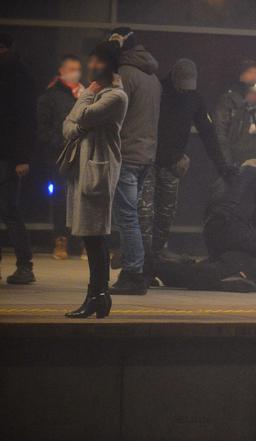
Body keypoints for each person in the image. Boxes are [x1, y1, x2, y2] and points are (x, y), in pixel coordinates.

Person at [138, 59, 232, 264]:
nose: (184, 90)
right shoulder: (158, 92)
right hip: (150, 160)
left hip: (171, 162)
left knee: (166, 213)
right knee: (145, 213)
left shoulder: (194, 99)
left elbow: (208, 134)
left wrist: (222, 166)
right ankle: (142, 260)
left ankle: (155, 255)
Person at [62, 41, 128, 318]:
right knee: (91, 237)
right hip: (84, 168)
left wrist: (86, 94)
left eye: (98, 61)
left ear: (110, 65)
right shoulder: (99, 94)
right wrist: (77, 119)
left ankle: (98, 295)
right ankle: (97, 296)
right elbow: (67, 126)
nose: (92, 66)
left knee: (96, 236)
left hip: (98, 171)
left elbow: (84, 117)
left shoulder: (116, 97)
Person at [107, 27, 161, 294]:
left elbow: (113, 114)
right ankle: (138, 270)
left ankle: (133, 273)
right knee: (133, 216)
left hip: (126, 154)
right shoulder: (153, 78)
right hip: (145, 156)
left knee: (126, 218)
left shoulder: (125, 76)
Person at [203, 159, 256, 291]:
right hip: (234, 226)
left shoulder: (222, 179)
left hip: (210, 230)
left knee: (225, 261)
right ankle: (244, 275)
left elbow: (208, 207)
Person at [37, 54, 85, 260]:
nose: (75, 73)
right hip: (59, 157)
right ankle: (60, 240)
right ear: (61, 71)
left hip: (83, 157)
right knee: (59, 199)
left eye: (78, 69)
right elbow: (44, 129)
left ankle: (82, 242)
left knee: (82, 200)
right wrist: (62, 143)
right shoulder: (49, 96)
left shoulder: (85, 95)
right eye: (71, 69)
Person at [0, 33, 36, 284]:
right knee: (10, 209)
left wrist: (22, 157)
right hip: (9, 153)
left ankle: (25, 265)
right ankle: (24, 266)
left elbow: (25, 120)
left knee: (10, 209)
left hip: (9, 155)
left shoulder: (18, 75)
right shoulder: (16, 72)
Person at [215, 59, 256, 164]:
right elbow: (220, 131)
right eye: (249, 72)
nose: (254, 76)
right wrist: (226, 161)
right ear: (240, 75)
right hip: (235, 157)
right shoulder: (228, 99)